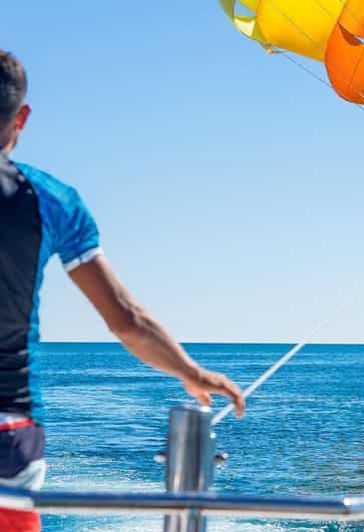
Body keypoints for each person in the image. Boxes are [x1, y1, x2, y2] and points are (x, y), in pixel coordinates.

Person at [0, 50, 245, 530]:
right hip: (12, 435)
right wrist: (191, 371)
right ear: (22, 117)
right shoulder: (51, 200)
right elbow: (127, 319)